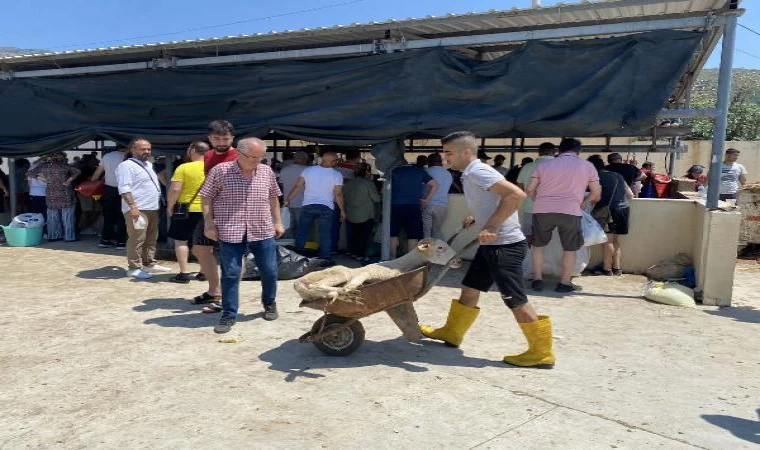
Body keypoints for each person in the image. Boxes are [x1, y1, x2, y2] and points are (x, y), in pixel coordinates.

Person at [420, 131, 555, 369]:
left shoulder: (478, 171)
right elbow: (493, 199)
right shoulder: (471, 173)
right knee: (470, 287)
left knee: (515, 299)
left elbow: (516, 195)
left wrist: (491, 225)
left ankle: (541, 352)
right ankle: (452, 333)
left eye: (449, 153)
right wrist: (478, 216)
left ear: (467, 152)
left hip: (505, 246)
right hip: (492, 245)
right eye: (444, 152)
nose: (445, 158)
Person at [200, 138, 284, 334]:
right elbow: (206, 197)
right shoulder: (220, 171)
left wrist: (278, 221)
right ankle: (229, 313)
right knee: (230, 273)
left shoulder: (266, 171)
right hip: (230, 230)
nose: (258, 161)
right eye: (253, 157)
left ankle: (269, 303)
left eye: (261, 157)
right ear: (239, 153)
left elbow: (273, 197)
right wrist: (209, 223)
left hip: (262, 229)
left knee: (270, 270)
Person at [525, 138, 601, 293]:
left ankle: (538, 279)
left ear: (559, 150)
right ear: (579, 151)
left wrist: (538, 200)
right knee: (569, 249)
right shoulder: (587, 166)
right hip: (570, 210)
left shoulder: (544, 165)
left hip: (542, 209)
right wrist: (583, 203)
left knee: (538, 246)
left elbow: (529, 189)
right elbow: (595, 193)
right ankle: (564, 283)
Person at [191, 120, 239, 307]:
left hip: (234, 211)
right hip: (212, 208)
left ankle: (229, 297)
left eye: (225, 138)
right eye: (216, 138)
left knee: (234, 255)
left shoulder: (239, 156)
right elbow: (209, 184)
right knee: (200, 248)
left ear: (232, 138)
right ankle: (214, 291)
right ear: (209, 138)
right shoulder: (209, 155)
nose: (221, 142)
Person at [116, 138, 170, 279]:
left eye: (148, 149)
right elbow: (124, 188)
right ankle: (133, 267)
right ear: (133, 150)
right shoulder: (126, 166)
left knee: (151, 237)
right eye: (143, 149)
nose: (146, 151)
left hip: (152, 207)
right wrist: (133, 207)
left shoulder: (148, 165)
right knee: (137, 238)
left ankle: (149, 263)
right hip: (138, 208)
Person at [285, 151, 345, 262]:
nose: (337, 162)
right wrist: (342, 210)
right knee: (325, 233)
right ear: (332, 162)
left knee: (302, 231)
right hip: (326, 206)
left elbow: (297, 186)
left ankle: (298, 257)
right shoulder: (337, 174)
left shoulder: (308, 170)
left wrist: (288, 199)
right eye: (337, 160)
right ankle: (325, 257)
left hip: (308, 205)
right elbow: (338, 194)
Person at [166, 142, 208, 283]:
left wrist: (170, 206)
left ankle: (184, 273)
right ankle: (204, 272)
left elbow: (175, 189)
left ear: (193, 151)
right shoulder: (213, 167)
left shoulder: (183, 167)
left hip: (185, 209)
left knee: (181, 241)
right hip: (207, 210)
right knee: (204, 243)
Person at [587, 156, 634, 276]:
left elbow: (595, 196)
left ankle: (607, 269)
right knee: (616, 240)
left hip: (609, 211)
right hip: (623, 209)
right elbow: (630, 194)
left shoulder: (597, 177)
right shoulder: (618, 175)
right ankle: (617, 268)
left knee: (607, 241)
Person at [26, 152, 81, 242]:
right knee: (67, 216)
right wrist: (68, 181)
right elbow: (78, 171)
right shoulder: (63, 166)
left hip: (51, 192)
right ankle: (69, 237)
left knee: (52, 216)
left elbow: (29, 173)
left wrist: (43, 179)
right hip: (65, 192)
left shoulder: (43, 166)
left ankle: (53, 236)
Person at [389, 160, 438, 258]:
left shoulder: (393, 171)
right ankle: (409, 260)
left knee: (393, 234)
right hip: (414, 206)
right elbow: (434, 185)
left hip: (395, 205)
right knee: (413, 234)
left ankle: (392, 258)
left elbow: (384, 190)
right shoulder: (419, 170)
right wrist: (426, 200)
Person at [516, 142, 555, 240]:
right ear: (554, 152)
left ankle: (530, 254)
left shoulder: (527, 166)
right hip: (553, 208)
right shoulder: (561, 166)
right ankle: (543, 254)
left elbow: (519, 188)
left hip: (529, 207)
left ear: (539, 152)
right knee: (549, 235)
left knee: (528, 234)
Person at [342, 162, 380, 261]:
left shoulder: (348, 183)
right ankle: (360, 254)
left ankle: (352, 252)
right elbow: (377, 199)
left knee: (354, 234)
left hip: (351, 213)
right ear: (367, 173)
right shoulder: (368, 184)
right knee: (364, 235)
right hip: (365, 214)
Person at [91, 146, 127, 248]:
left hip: (109, 189)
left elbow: (97, 174)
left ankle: (105, 240)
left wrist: (92, 183)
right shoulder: (126, 156)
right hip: (123, 189)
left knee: (108, 216)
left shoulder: (106, 156)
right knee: (121, 217)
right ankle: (121, 242)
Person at [423, 152, 452, 239]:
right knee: (436, 232)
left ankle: (426, 252)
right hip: (441, 206)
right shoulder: (448, 174)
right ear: (440, 162)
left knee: (426, 232)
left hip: (426, 205)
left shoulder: (425, 171)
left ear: (429, 162)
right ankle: (438, 252)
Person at [279, 151, 308, 238]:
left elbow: (281, 185)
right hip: (303, 202)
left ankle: (288, 246)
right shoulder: (307, 170)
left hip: (287, 202)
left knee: (288, 226)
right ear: (304, 159)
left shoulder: (285, 170)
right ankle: (301, 247)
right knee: (302, 227)